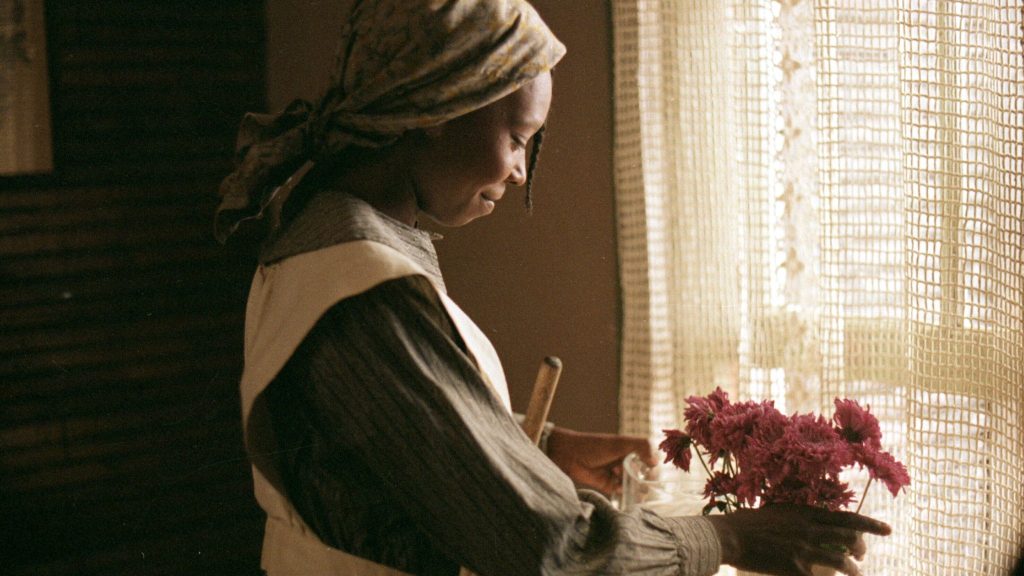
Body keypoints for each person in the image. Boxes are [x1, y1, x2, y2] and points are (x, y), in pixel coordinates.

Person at [216, 1, 891, 575]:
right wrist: (731, 537)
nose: (517, 172)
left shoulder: (321, 231)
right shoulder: (364, 288)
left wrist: (531, 452)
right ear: (435, 108)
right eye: (517, 138)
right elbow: (547, 548)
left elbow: (371, 444)